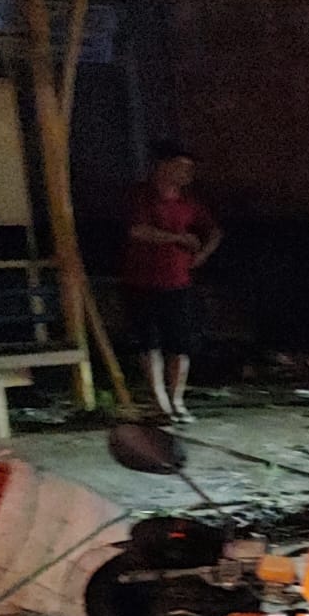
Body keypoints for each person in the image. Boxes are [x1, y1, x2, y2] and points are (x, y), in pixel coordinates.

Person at [122, 142, 222, 424]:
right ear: (163, 167)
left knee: (180, 343)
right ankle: (160, 402)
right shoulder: (142, 196)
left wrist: (201, 254)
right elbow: (137, 231)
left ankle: (177, 400)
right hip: (142, 280)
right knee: (149, 343)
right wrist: (178, 238)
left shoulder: (189, 202)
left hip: (178, 280)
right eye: (181, 167)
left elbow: (214, 231)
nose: (188, 173)